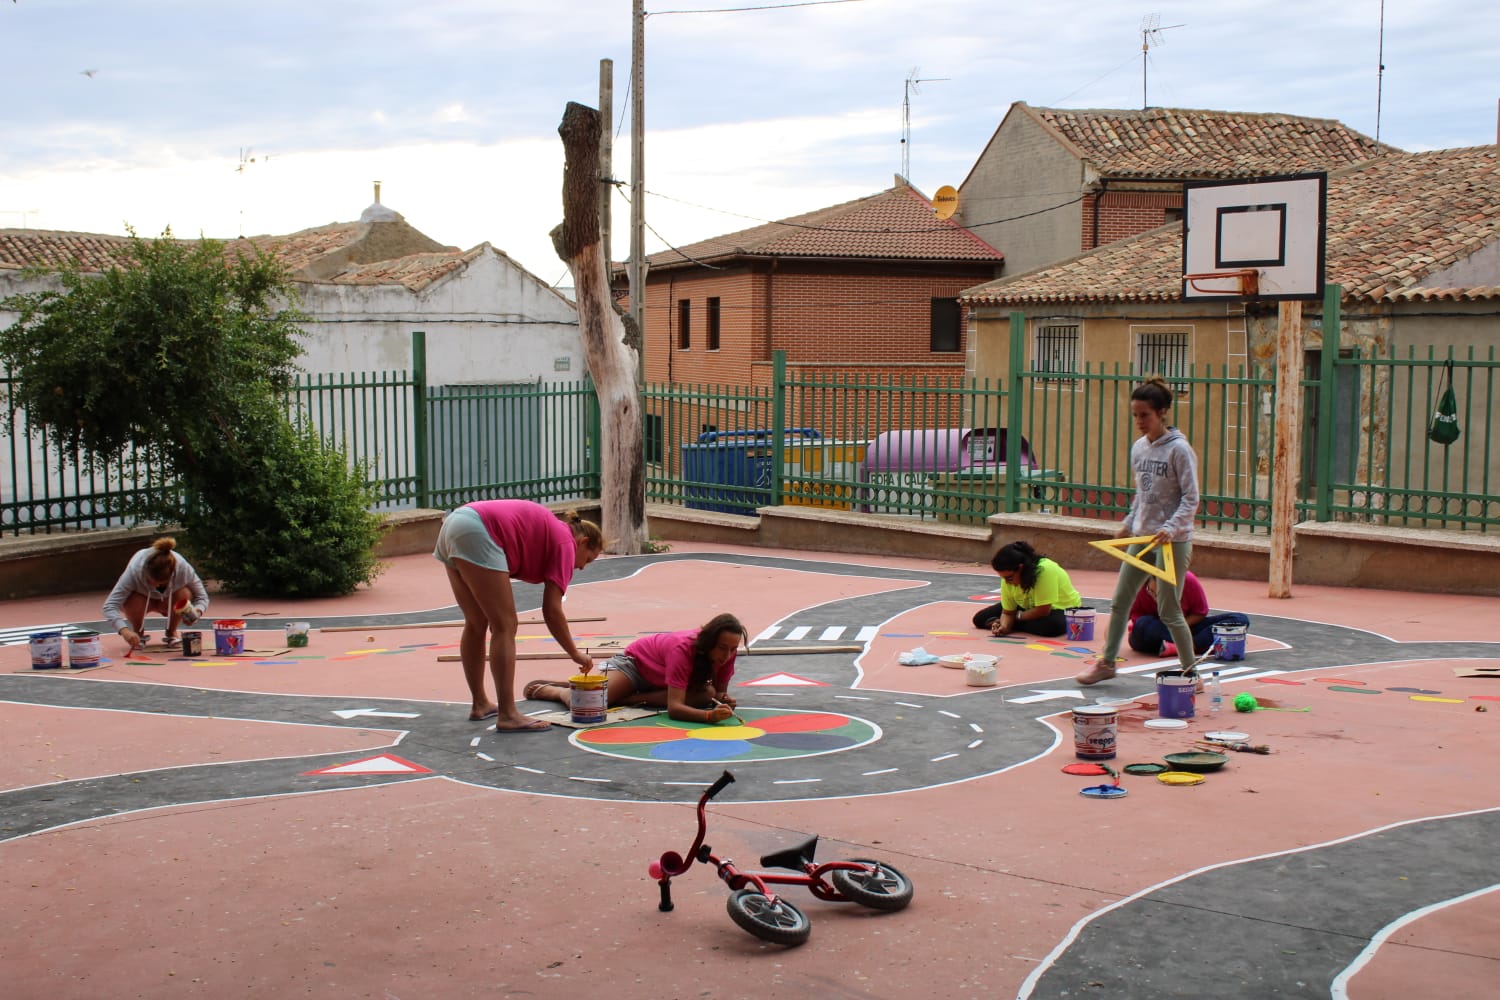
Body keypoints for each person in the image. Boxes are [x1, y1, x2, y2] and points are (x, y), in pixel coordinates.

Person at [433, 500, 604, 732]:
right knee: (505, 625)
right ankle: (508, 714)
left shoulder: (555, 533)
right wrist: (575, 653)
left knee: (476, 622)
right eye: (588, 559)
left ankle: (481, 703)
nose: (582, 567)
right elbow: (552, 611)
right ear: (583, 542)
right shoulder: (566, 543)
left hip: (454, 524)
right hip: (478, 531)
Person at [1077, 378, 1201, 686]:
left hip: (1173, 542)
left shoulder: (1180, 451)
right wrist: (1129, 523)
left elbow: (1191, 498)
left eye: (1144, 415)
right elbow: (1142, 494)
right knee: (1120, 602)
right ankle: (1106, 663)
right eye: (1135, 415)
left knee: (1170, 611)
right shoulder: (1139, 449)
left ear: (1162, 413)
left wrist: (1170, 529)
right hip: (1143, 538)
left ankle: (1191, 674)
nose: (1139, 421)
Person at [524, 613, 748, 725]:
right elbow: (675, 708)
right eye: (722, 649)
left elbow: (717, 693)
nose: (727, 656)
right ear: (709, 642)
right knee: (591, 704)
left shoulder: (727, 652)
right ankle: (558, 690)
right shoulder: (684, 649)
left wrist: (724, 700)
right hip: (636, 666)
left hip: (661, 681)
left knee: (707, 694)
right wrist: (709, 716)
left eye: (731, 650)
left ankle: (624, 696)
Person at [103, 537, 210, 652]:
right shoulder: (134, 571)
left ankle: (171, 632)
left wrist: (197, 612)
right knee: (133, 599)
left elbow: (202, 597)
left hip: (169, 600)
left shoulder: (183, 568)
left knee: (184, 593)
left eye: (162, 584)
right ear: (145, 572)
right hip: (142, 600)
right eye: (151, 582)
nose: (156, 587)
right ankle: (138, 633)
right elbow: (110, 606)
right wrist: (124, 631)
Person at [971, 541, 1081, 637]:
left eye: (1009, 577)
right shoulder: (1007, 578)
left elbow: (1043, 610)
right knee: (980, 619)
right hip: (1025, 607)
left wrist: (1014, 618)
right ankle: (1008, 624)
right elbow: (1008, 612)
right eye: (1003, 578)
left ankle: (1011, 623)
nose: (1007, 582)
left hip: (1058, 609)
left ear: (1020, 568)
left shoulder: (1045, 570)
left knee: (1050, 627)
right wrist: (1004, 626)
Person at [1127, 571, 1251, 656]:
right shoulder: (1139, 585)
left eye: (1161, 595)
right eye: (1151, 592)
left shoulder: (1189, 580)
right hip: (1154, 633)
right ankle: (1188, 646)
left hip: (1186, 627)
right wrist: (1109, 648)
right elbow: (1119, 617)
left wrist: (1181, 629)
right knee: (1143, 624)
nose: (1155, 598)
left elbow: (1200, 613)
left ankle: (1184, 646)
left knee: (1239, 619)